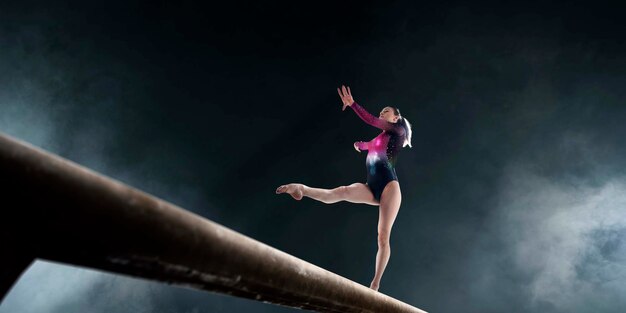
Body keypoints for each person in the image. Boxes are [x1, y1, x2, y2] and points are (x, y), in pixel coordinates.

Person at [276, 85, 412, 291]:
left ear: (395, 118)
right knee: (341, 191)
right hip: (371, 186)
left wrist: (353, 105)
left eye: (386, 112)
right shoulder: (379, 138)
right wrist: (360, 145)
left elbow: (371, 120)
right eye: (381, 111)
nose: (381, 114)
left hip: (389, 187)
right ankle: (301, 189)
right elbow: (369, 145)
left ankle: (375, 284)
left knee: (383, 235)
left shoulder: (398, 131)